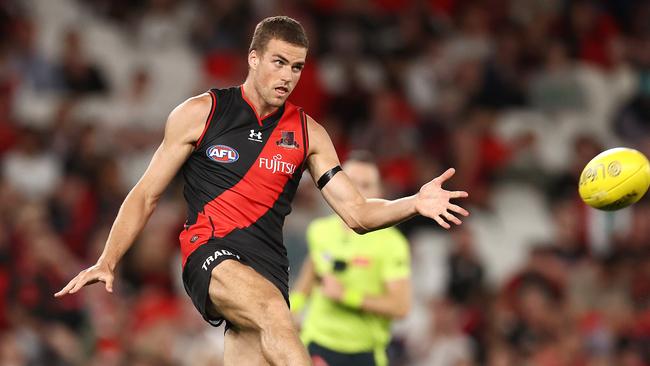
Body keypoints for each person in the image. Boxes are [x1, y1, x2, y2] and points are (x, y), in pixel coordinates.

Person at [54, 16, 469, 366]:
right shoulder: (201, 113)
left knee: (263, 333)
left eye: (297, 67)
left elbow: (358, 214)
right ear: (253, 59)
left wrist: (413, 202)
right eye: (279, 62)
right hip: (210, 251)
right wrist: (108, 260)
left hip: (269, 265)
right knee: (273, 312)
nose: (288, 76)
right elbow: (146, 194)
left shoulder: (309, 133)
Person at [290, 151, 412, 366]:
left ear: (379, 192)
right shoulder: (320, 231)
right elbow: (312, 271)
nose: (356, 192)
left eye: (365, 185)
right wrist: (291, 310)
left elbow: (400, 306)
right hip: (318, 342)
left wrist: (348, 296)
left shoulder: (392, 243)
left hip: (364, 351)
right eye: (350, 183)